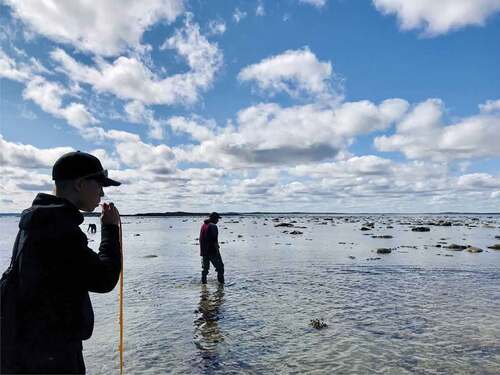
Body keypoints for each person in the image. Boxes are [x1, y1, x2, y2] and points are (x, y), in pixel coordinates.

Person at [0, 151, 122, 374]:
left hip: (28, 347)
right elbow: (104, 279)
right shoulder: (58, 228)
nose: (102, 193)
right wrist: (110, 229)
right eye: (99, 184)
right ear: (80, 184)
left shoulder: (35, 221)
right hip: (53, 354)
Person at [199, 212, 224, 284]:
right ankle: (221, 285)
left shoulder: (203, 225)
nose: (218, 221)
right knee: (220, 268)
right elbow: (214, 241)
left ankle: (203, 284)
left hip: (204, 251)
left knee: (205, 269)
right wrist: (218, 252)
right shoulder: (213, 226)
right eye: (217, 219)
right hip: (212, 251)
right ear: (214, 218)